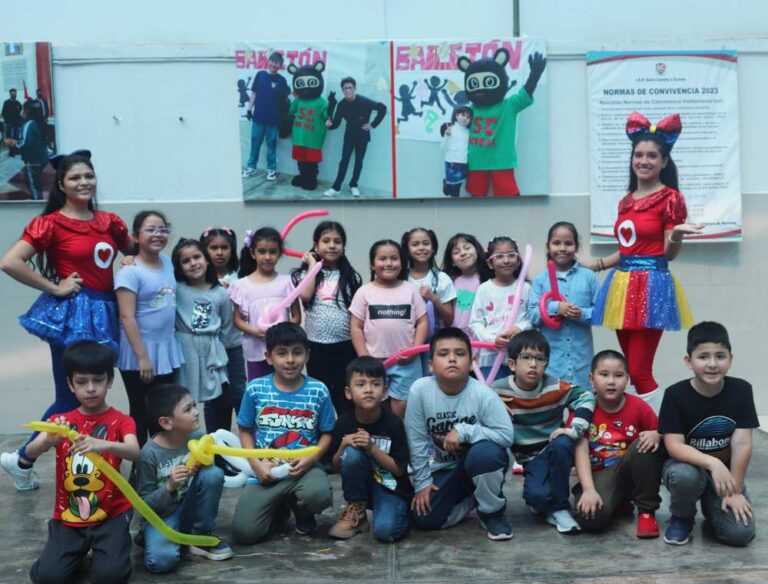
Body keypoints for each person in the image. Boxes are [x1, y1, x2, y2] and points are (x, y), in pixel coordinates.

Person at [0, 150, 132, 491]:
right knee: (71, 396)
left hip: (107, 312)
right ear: (61, 184)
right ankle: (25, 458)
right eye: (75, 178)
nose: (83, 182)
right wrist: (54, 287)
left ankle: (45, 459)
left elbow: (132, 249)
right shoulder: (49, 223)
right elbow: (10, 262)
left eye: (88, 175)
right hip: (73, 316)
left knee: (89, 394)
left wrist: (130, 264)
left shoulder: (111, 222)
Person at [592, 112, 703, 412]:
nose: (644, 160)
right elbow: (626, 250)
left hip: (651, 286)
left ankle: (660, 430)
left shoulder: (670, 198)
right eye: (638, 154)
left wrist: (678, 233)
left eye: (652, 156)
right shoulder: (625, 201)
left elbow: (668, 253)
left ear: (664, 162)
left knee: (640, 372)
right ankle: (633, 430)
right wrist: (595, 265)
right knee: (628, 370)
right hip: (621, 286)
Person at [27, 341, 139, 584]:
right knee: (48, 578)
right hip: (68, 517)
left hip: (111, 515)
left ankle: (106, 555)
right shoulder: (60, 420)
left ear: (109, 381)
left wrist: (105, 445)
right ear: (70, 384)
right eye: (81, 382)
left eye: (98, 380)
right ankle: (68, 557)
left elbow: (134, 452)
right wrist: (48, 440)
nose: (90, 388)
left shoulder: (121, 421)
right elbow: (30, 451)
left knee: (111, 577)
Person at [405, 327, 515, 541]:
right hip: (445, 467)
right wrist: (422, 483)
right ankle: (475, 500)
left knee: (484, 453)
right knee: (424, 518)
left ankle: (492, 512)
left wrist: (464, 430)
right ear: (430, 364)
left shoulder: (483, 394)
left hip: (483, 463)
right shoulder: (420, 391)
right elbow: (416, 441)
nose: (452, 359)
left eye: (460, 353)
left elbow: (505, 435)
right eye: (443, 354)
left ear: (471, 359)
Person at [231, 323, 334, 544]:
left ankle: (303, 512)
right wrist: (256, 464)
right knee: (244, 533)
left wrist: (312, 458)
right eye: (282, 353)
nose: (290, 360)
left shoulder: (319, 390)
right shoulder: (256, 389)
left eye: (297, 352)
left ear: (307, 355)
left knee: (318, 495)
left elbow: (327, 433)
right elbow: (245, 429)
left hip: (304, 469)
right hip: (266, 469)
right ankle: (278, 510)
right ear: (268, 357)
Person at [658, 321, 757, 547]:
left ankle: (714, 511)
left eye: (720, 356)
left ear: (730, 360)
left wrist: (736, 490)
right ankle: (682, 517)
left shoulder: (742, 391)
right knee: (684, 475)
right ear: (688, 361)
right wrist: (713, 463)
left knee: (740, 534)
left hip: (723, 478)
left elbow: (742, 444)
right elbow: (674, 446)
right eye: (703, 357)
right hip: (688, 469)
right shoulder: (675, 395)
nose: (712, 364)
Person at [492, 330, 595, 534]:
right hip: (530, 460)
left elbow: (586, 396)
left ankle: (560, 508)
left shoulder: (555, 387)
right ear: (512, 364)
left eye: (540, 359)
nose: (533, 364)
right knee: (537, 498)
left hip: (555, 448)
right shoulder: (498, 390)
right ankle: (545, 501)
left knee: (564, 442)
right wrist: (492, 403)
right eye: (526, 358)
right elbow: (476, 401)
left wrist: (575, 429)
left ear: (546, 365)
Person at [138, 384, 233, 574]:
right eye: (188, 409)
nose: (196, 412)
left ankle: (199, 535)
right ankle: (157, 537)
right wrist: (170, 486)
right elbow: (144, 506)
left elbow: (208, 480)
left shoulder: (198, 437)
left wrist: (203, 466)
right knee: (161, 562)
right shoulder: (149, 453)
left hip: (190, 508)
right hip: (163, 516)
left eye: (194, 405)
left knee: (213, 473)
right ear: (166, 422)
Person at [572, 350, 664, 538]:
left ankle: (646, 512)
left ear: (628, 379)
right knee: (590, 518)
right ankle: (617, 504)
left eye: (619, 375)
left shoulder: (639, 407)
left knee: (645, 442)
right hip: (599, 476)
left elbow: (663, 433)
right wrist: (588, 490)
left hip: (631, 474)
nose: (611, 381)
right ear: (591, 378)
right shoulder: (583, 409)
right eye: (604, 375)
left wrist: (657, 435)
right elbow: (579, 450)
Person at [115, 210, 184, 447]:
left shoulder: (166, 262)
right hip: (139, 354)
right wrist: (142, 358)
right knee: (140, 411)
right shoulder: (129, 271)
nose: (158, 234)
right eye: (151, 229)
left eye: (163, 229)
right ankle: (140, 466)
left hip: (166, 349)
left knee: (163, 412)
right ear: (136, 236)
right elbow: (126, 316)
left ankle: (160, 464)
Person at [328, 357, 412, 541]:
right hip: (362, 486)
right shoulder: (344, 422)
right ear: (348, 392)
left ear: (384, 391)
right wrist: (343, 445)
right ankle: (357, 514)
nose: (368, 389)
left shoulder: (393, 423)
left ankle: (402, 510)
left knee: (386, 532)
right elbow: (334, 466)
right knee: (351, 453)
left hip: (391, 487)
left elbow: (399, 470)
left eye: (375, 384)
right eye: (361, 384)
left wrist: (372, 448)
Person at [349, 239, 428, 419]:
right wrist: (364, 357)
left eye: (394, 258)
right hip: (375, 362)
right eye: (382, 259)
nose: (388, 263)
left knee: (403, 406)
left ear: (402, 263)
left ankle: (401, 442)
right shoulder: (364, 292)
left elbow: (422, 322)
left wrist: (414, 351)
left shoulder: (410, 290)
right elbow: (356, 327)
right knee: (376, 405)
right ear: (372, 264)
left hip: (406, 362)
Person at [292, 221, 362, 416]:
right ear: (316, 245)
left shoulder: (351, 276)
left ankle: (345, 436)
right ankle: (325, 439)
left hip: (345, 346)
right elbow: (305, 295)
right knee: (321, 396)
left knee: (345, 397)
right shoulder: (304, 274)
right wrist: (313, 265)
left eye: (337, 241)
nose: (332, 245)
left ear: (344, 247)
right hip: (317, 347)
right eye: (326, 241)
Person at [528, 222, 598, 389]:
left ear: (576, 246)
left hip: (582, 363)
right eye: (556, 243)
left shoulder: (589, 277)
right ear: (548, 246)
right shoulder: (540, 280)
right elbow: (532, 315)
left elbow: (600, 314)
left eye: (568, 243)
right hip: (551, 365)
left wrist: (581, 314)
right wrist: (555, 308)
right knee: (553, 408)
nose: (562, 248)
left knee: (583, 408)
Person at [171, 239, 232, 432]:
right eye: (186, 260)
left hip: (212, 351)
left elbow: (227, 326)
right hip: (184, 350)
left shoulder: (221, 293)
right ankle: (184, 447)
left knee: (218, 401)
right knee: (182, 400)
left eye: (197, 257)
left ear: (206, 259)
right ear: (179, 267)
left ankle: (218, 449)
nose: (193, 263)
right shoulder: (176, 288)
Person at [229, 227, 301, 382]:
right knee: (259, 387)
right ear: (252, 253)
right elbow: (237, 320)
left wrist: (282, 332)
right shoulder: (242, 286)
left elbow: (296, 316)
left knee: (286, 385)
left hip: (284, 350)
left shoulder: (287, 282)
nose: (267, 257)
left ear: (280, 253)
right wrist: (256, 332)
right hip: (256, 349)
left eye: (273, 252)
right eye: (262, 251)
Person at [469, 236, 532, 379]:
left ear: (518, 260)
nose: (506, 260)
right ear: (490, 263)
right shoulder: (483, 289)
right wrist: (492, 339)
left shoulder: (526, 288)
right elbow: (475, 323)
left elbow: (533, 318)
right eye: (499, 256)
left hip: (520, 354)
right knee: (493, 395)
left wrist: (520, 328)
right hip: (490, 357)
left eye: (511, 255)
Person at [200, 227, 247, 418]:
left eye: (225, 247)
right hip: (209, 348)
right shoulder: (199, 280)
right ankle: (215, 445)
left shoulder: (240, 278)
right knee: (214, 396)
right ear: (205, 250)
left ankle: (245, 442)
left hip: (234, 346)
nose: (219, 253)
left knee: (238, 392)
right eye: (213, 248)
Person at [402, 227, 457, 374]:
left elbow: (449, 319)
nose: (421, 248)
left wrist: (433, 298)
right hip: (406, 343)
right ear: (407, 249)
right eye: (415, 244)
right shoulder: (401, 279)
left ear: (433, 248)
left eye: (426, 243)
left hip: (434, 344)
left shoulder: (442, 279)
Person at [323, 77, 387, 198]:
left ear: (355, 88)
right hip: (349, 135)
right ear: (342, 90)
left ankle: (354, 185)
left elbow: (382, 108)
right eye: (345, 88)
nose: (348, 90)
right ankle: (336, 187)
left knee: (359, 162)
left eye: (350, 88)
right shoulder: (341, 105)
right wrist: (329, 126)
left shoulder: (364, 101)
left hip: (363, 135)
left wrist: (372, 125)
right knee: (344, 161)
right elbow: (336, 123)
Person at [243, 51, 289, 181]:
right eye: (273, 61)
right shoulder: (260, 75)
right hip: (258, 117)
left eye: (277, 63)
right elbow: (253, 94)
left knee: (272, 145)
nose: (274, 64)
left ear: (280, 65)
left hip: (273, 120)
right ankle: (251, 167)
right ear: (269, 61)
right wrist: (249, 109)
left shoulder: (282, 80)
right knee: (255, 143)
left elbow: (285, 100)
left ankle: (271, 170)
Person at [441, 232, 490, 338]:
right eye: (456, 252)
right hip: (455, 337)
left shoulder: (487, 280)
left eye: (467, 248)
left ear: (477, 250)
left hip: (481, 337)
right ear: (452, 261)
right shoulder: (449, 281)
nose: (463, 253)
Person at [4, 99, 49, 200]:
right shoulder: (37, 122)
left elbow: (25, 143)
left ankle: (37, 205)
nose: (21, 112)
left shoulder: (29, 124)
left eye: (23, 109)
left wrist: (13, 146)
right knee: (36, 184)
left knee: (33, 187)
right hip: (40, 157)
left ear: (27, 111)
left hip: (33, 160)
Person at [440, 105, 472, 197]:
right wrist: (447, 135)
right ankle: (446, 185)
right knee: (450, 190)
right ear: (456, 115)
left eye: (468, 117)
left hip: (464, 163)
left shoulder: (469, 131)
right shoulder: (451, 129)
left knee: (457, 187)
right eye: (463, 115)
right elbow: (442, 148)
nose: (465, 118)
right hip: (451, 163)